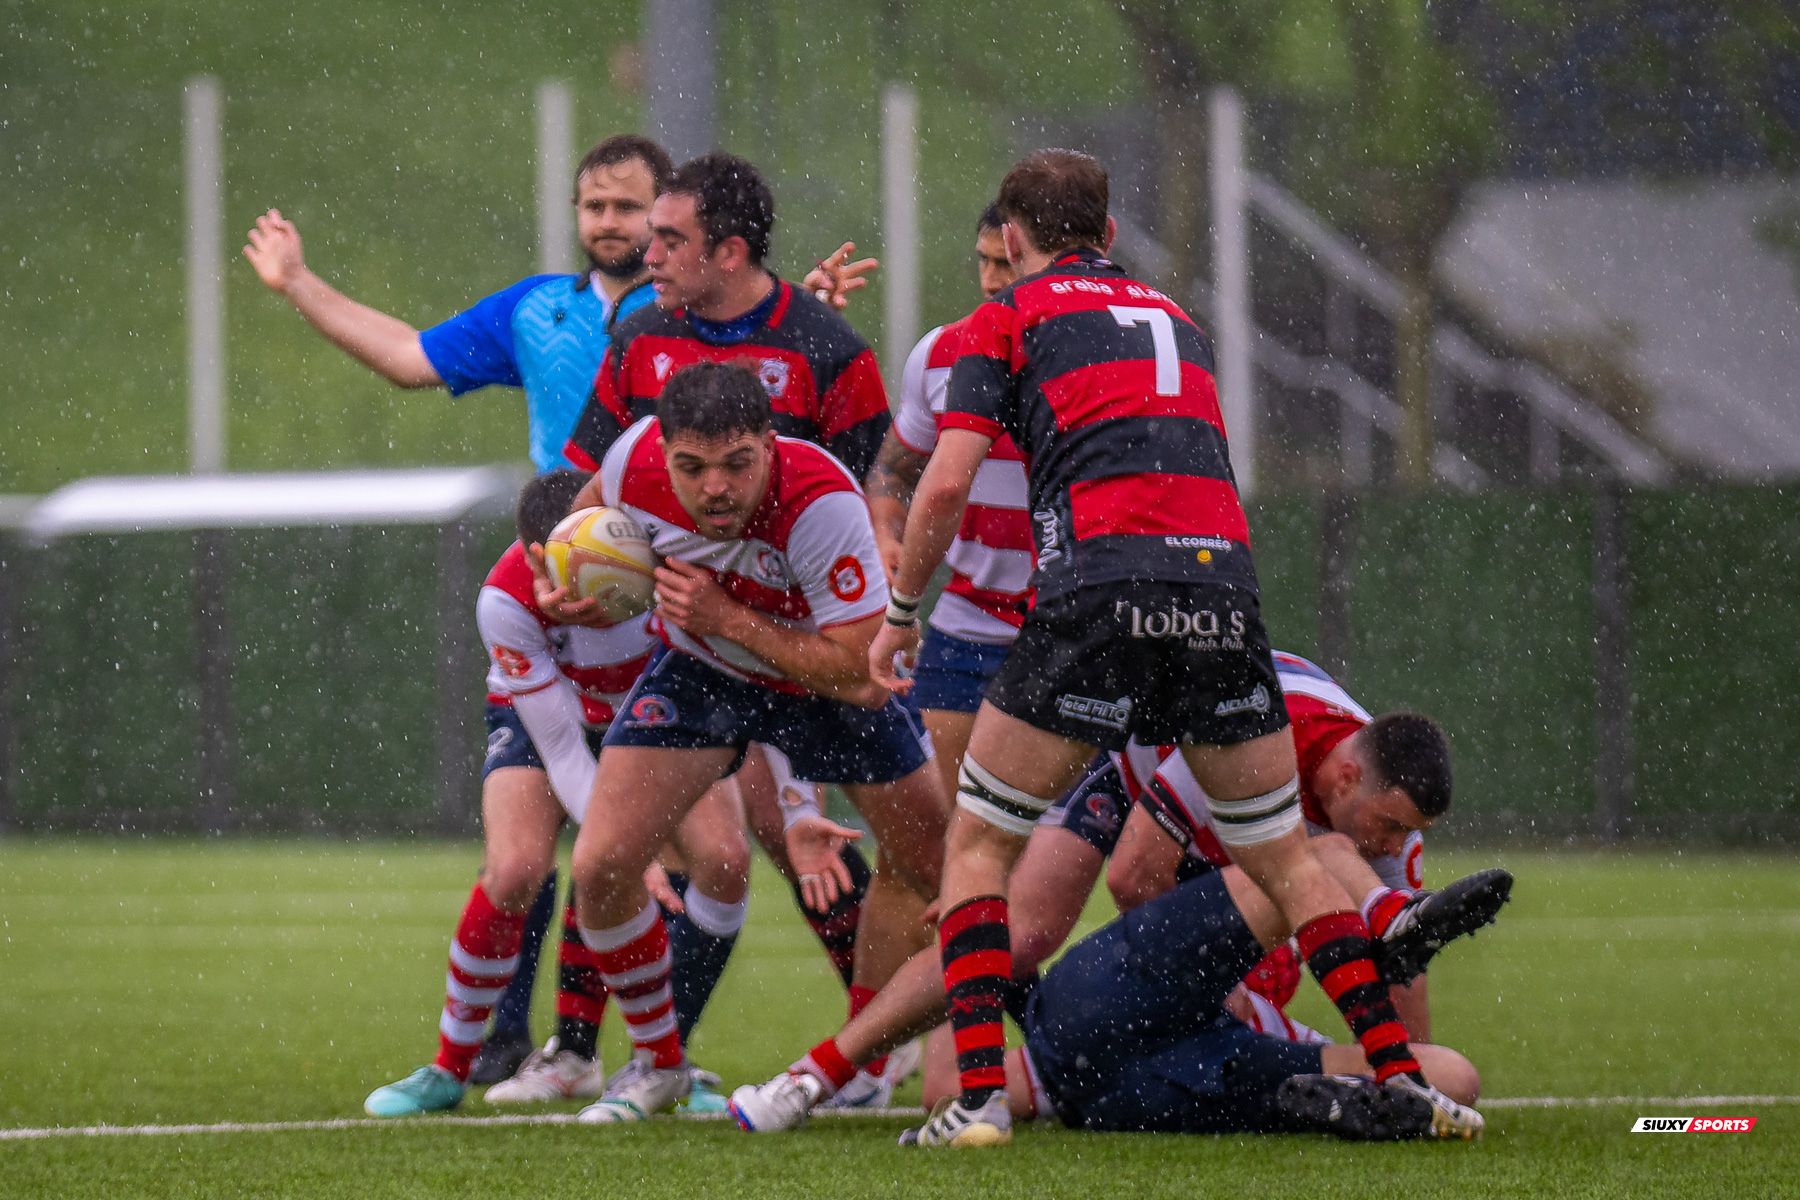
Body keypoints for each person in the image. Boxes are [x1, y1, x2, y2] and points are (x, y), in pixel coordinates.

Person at [866, 148, 1476, 1145]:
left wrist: (901, 610)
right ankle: (1405, 1078)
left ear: (1011, 239)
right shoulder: (1176, 318)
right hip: (1221, 594)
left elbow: (941, 483)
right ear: (1109, 235)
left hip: (1099, 590)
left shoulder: (1002, 317)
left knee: (978, 846)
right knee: (1290, 862)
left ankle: (976, 1100)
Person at [547, 362, 947, 1124]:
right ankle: (659, 1063)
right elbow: (587, 516)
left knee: (947, 878)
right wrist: (587, 585)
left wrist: (726, 618)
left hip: (825, 684)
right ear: (663, 452)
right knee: (600, 866)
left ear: (770, 444)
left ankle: (1028, 1049)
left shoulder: (820, 503)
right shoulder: (633, 460)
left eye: (737, 463)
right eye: (692, 467)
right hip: (703, 670)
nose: (716, 488)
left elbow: (863, 677)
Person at [361, 470, 751, 1117]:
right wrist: (630, 850)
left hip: (650, 710)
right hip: (549, 715)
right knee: (515, 869)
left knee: (724, 858)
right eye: (557, 571)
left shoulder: (672, 563)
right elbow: (565, 747)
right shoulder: (504, 600)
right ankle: (449, 1068)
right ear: (536, 555)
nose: (573, 592)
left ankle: (663, 1066)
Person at [728, 830, 1507, 1140]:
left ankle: (812, 1076)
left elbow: (943, 1087)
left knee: (1309, 860)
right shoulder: (1259, 729)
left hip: (1099, 1056)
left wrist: (973, 937)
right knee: (1449, 1077)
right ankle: (1388, 921)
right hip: (1165, 1080)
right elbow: (1135, 873)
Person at [244, 135, 671, 474]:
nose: (608, 222)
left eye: (627, 207)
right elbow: (407, 357)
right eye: (595, 207)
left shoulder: (690, 306)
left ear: (664, 212)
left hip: (676, 543)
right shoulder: (533, 307)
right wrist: (297, 282)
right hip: (564, 540)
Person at [562, 153, 892, 482]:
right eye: (653, 237)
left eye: (671, 243)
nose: (651, 257)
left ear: (730, 253)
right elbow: (589, 485)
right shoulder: (636, 339)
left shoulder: (834, 352)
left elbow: (877, 494)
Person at [862, 202, 1026, 803]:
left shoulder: (1098, 355)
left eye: (1007, 264)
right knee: (960, 830)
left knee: (1056, 842)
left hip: (1071, 627)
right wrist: (886, 532)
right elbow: (893, 471)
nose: (991, 280)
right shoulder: (940, 353)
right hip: (966, 627)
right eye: (983, 261)